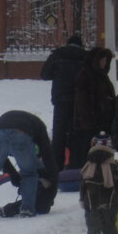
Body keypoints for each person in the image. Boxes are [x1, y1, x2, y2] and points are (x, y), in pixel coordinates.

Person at [0, 110, 58, 220]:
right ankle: (27, 210)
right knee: (29, 174)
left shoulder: (30, 122)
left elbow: (3, 160)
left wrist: (13, 176)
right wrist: (53, 182)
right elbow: (49, 157)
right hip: (21, 133)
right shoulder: (40, 129)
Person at [41, 34, 86, 169]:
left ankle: (57, 167)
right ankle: (76, 165)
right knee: (77, 133)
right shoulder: (86, 56)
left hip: (61, 100)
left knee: (59, 134)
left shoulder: (57, 55)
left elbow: (45, 74)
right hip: (80, 101)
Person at [80, 134, 118, 234]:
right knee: (110, 225)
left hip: (91, 201)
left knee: (93, 227)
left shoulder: (87, 166)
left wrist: (81, 199)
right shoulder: (113, 166)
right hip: (110, 201)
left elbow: (83, 185)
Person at [72, 47, 117, 161]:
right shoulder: (86, 76)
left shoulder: (102, 76)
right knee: (91, 156)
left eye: (106, 60)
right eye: (103, 60)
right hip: (92, 127)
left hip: (103, 124)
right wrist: (91, 123)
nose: (105, 63)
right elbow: (83, 103)